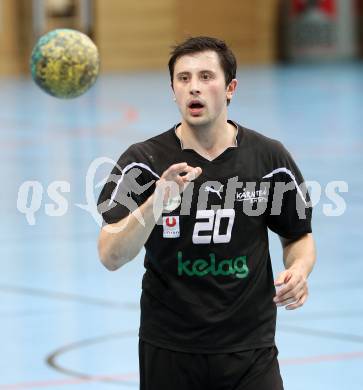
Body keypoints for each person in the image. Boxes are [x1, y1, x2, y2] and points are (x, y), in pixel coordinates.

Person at [97, 36, 316, 390]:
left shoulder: (269, 159)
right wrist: (156, 202)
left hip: (250, 348)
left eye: (205, 77)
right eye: (183, 79)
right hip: (170, 347)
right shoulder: (142, 162)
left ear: (230, 88)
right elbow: (110, 255)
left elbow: (299, 235)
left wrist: (299, 270)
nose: (194, 88)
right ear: (172, 89)